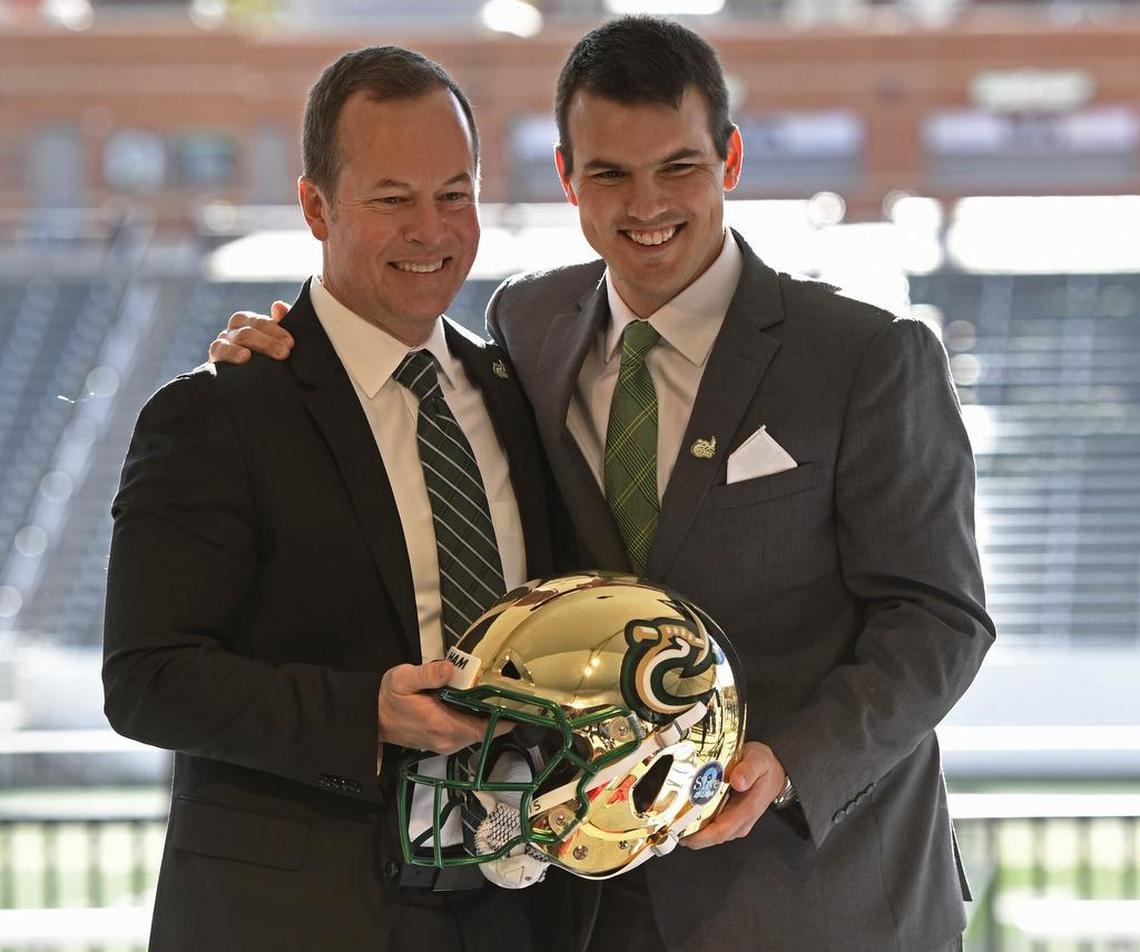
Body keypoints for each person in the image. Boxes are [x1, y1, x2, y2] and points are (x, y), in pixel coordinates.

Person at [211, 17, 995, 952]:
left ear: (730, 159)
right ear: (565, 177)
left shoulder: (867, 356)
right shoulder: (529, 324)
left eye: (679, 167)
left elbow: (940, 619)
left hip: (824, 898)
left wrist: (790, 764)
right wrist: (277, 355)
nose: (647, 204)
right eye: (611, 173)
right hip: (599, 910)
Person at [103, 46, 575, 952]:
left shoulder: (518, 398)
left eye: (454, 193)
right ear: (315, 205)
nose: (430, 229)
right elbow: (145, 680)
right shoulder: (217, 414)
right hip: (298, 918)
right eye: (392, 198)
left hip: (509, 915)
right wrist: (366, 713)